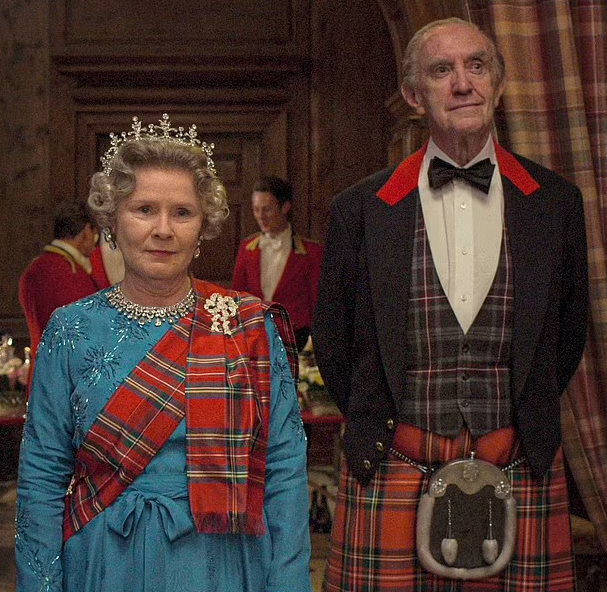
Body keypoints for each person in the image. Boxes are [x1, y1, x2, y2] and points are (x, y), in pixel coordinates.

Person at [313, 18, 588, 592]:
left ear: (498, 84)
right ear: (414, 95)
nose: (463, 83)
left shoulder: (556, 203)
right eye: (442, 70)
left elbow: (565, 337)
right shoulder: (359, 209)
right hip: (393, 465)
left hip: (519, 464)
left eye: (477, 66)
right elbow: (335, 345)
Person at [15, 114, 312, 592]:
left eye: (182, 213)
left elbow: (285, 471)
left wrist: (288, 583)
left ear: (203, 226)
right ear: (112, 221)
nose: (163, 229)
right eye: (144, 209)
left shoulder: (249, 326)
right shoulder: (69, 329)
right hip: (104, 561)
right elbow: (42, 476)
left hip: (222, 564)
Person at [232, 176, 323, 352]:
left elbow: (317, 303)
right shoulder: (246, 248)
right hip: (254, 338)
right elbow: (237, 298)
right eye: (256, 209)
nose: (260, 216)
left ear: (285, 207)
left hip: (297, 339)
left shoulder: (311, 252)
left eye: (267, 209)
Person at [18, 199, 104, 356]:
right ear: (86, 232)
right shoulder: (70, 273)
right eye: (95, 234)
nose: (95, 243)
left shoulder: (35, 267)